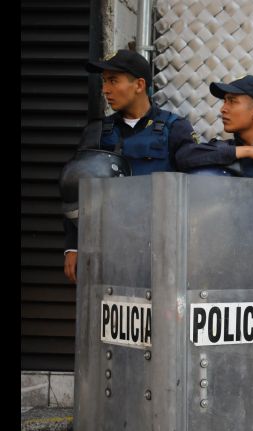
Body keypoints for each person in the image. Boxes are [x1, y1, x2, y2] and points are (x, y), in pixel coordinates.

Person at [62, 49, 200, 283]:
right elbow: (75, 191)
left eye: (113, 81)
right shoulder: (97, 132)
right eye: (104, 81)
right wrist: (73, 247)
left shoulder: (174, 128)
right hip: (108, 250)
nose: (106, 89)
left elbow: (194, 189)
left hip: (162, 249)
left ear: (139, 85)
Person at [175, 75, 253, 178]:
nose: (223, 109)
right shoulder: (221, 149)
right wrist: (246, 151)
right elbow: (182, 157)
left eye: (232, 101)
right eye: (225, 101)